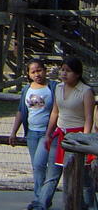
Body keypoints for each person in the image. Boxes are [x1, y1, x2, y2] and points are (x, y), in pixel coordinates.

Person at [31, 56, 96, 210]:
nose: (64, 74)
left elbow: (88, 117)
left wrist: (84, 141)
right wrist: (48, 133)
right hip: (60, 135)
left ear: (78, 74)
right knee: (52, 174)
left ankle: (91, 206)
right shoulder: (59, 88)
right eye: (62, 70)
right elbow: (55, 112)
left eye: (68, 71)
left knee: (84, 177)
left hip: (77, 135)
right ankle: (41, 204)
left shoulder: (86, 91)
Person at [9, 59, 57, 207]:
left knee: (39, 164)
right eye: (33, 72)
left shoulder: (53, 87)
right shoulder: (26, 90)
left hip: (47, 133)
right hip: (32, 133)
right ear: (28, 74)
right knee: (37, 167)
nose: (37, 74)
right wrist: (14, 132)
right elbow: (21, 111)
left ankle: (40, 199)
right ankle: (41, 199)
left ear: (45, 70)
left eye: (39, 70)